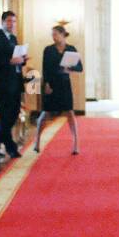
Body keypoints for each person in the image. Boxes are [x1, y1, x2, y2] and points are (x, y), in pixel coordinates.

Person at [32, 25, 82, 155]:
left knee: (70, 112)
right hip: (52, 84)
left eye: (55, 34)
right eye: (52, 35)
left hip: (65, 84)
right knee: (45, 113)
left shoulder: (71, 49)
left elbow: (79, 67)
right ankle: (37, 141)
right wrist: (46, 84)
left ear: (63, 34)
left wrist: (70, 69)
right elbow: (45, 68)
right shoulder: (48, 50)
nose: (53, 37)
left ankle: (76, 144)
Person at [0, 10, 26, 159]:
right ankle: (11, 147)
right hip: (3, 83)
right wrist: (9, 61)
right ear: (2, 22)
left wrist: (22, 59)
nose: (11, 24)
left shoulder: (13, 38)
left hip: (15, 82)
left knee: (13, 114)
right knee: (6, 115)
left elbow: (16, 58)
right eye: (9, 21)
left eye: (13, 21)